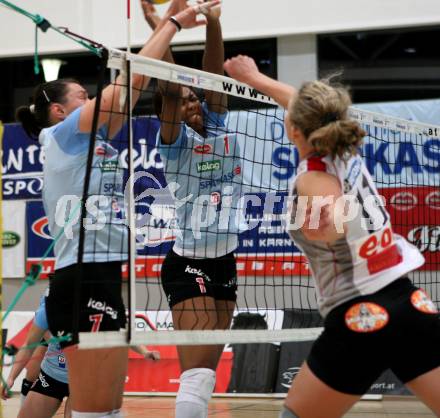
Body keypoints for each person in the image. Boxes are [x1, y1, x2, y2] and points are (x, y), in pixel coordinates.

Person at [14, 2, 219, 417]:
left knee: (106, 410)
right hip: (83, 278)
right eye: (82, 96)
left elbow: (143, 83)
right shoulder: (61, 135)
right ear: (59, 111)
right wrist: (173, 24)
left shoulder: (96, 141)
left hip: (104, 276)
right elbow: (129, 85)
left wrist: (166, 24)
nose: (90, 99)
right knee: (94, 412)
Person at [224, 55, 440, 418]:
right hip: (411, 303)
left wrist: (325, 218)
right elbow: (300, 102)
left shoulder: (313, 176)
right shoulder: (345, 149)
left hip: (361, 315)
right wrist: (255, 78)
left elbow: (331, 225)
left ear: (293, 130)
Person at [142, 1, 241, 417]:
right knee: (195, 373)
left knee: (207, 374)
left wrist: (213, 22)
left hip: (226, 260)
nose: (192, 103)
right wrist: (167, 25)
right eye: (184, 102)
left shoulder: (216, 123)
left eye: (194, 98)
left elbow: (212, 73)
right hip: (190, 264)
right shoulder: (174, 141)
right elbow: (169, 86)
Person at [0, 293, 160, 418]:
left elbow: (122, 334)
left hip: (85, 381)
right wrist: (11, 378)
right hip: (51, 376)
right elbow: (29, 346)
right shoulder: (49, 308)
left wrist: (145, 352)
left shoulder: (98, 307)